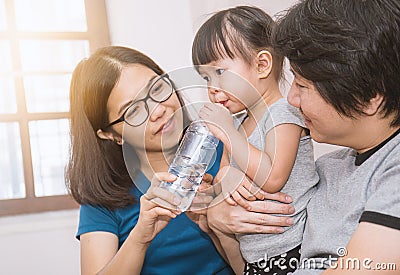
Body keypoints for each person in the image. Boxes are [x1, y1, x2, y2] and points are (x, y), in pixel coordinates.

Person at [66, 46, 234, 274]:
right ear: (110, 134)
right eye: (133, 111)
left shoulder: (227, 150)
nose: (157, 111)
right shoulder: (104, 200)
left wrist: (216, 225)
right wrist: (140, 238)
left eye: (157, 88)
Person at [270, 0, 400, 273]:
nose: (292, 99)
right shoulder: (329, 167)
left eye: (302, 85)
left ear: (367, 97)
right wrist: (222, 228)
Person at [192, 6, 319, 274]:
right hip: (255, 255)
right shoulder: (237, 123)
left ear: (262, 65)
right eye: (206, 78)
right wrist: (226, 177)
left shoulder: (283, 113)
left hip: (291, 249)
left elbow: (272, 177)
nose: (212, 88)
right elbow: (224, 169)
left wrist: (227, 132)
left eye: (219, 73)